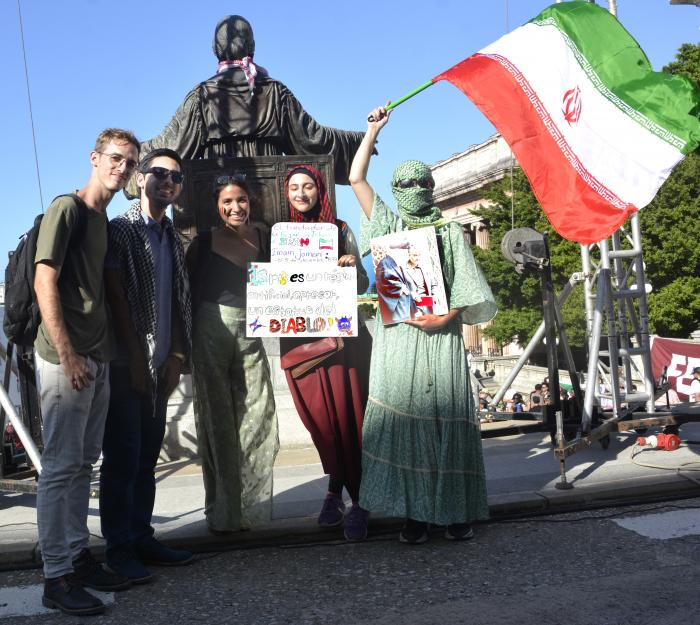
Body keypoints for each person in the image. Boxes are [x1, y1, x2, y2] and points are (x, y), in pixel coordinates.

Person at [350, 106, 497, 544]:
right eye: (406, 184)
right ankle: (413, 515)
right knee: (403, 426)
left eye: (422, 182)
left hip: (441, 337)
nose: (415, 189)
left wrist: (448, 316)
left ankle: (453, 511)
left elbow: (470, 287)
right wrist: (372, 131)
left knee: (444, 420)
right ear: (396, 190)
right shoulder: (388, 224)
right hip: (398, 340)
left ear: (432, 187)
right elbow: (357, 179)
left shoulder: (451, 231)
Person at [33, 128, 140, 615]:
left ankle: (76, 558)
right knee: (59, 468)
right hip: (65, 359)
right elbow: (44, 278)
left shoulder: (102, 218)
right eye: (115, 158)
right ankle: (56, 577)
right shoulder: (68, 208)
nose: (122, 167)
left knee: (82, 466)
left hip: (96, 358)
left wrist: (103, 358)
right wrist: (69, 353)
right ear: (95, 158)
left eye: (129, 161)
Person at [126, 14, 368, 200]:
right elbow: (314, 139)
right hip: (271, 197)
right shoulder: (275, 92)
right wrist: (362, 141)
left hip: (218, 202)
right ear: (252, 45)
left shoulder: (202, 96)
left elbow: (170, 144)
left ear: (215, 49)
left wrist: (127, 154)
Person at [100, 148, 193, 583]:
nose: (167, 182)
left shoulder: (172, 234)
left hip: (161, 365)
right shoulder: (120, 229)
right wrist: (135, 357)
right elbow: (116, 297)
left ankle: (141, 537)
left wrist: (176, 356)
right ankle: (118, 549)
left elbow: (177, 299)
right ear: (141, 178)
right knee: (122, 459)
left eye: (175, 177)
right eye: (159, 173)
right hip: (125, 363)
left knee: (146, 459)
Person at [280, 165, 373, 541]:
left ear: (320, 191)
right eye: (294, 188)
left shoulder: (340, 230)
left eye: (307, 186)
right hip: (299, 342)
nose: (301, 193)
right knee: (321, 424)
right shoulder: (277, 235)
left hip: (341, 343)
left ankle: (352, 499)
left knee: (349, 421)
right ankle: (339, 492)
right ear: (285, 194)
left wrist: (351, 267)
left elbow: (365, 282)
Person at [185, 175, 279, 534]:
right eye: (227, 202)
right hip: (210, 328)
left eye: (241, 200)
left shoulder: (265, 237)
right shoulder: (203, 242)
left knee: (259, 413)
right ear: (217, 206)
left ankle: (250, 502)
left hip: (252, 332)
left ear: (251, 201)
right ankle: (225, 512)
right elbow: (186, 294)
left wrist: (340, 263)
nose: (235, 207)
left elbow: (297, 276)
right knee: (218, 421)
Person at [374, 245, 415, 324]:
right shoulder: (385, 262)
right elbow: (383, 282)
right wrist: (401, 287)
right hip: (398, 310)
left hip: (404, 306)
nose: (405, 255)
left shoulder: (394, 263)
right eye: (403, 252)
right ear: (396, 251)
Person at [403, 245, 438, 316]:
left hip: (428, 304)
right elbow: (400, 288)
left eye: (419, 255)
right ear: (409, 255)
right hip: (413, 305)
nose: (417, 258)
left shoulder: (426, 268)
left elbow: (434, 285)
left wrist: (434, 296)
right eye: (415, 255)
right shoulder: (402, 270)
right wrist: (413, 295)